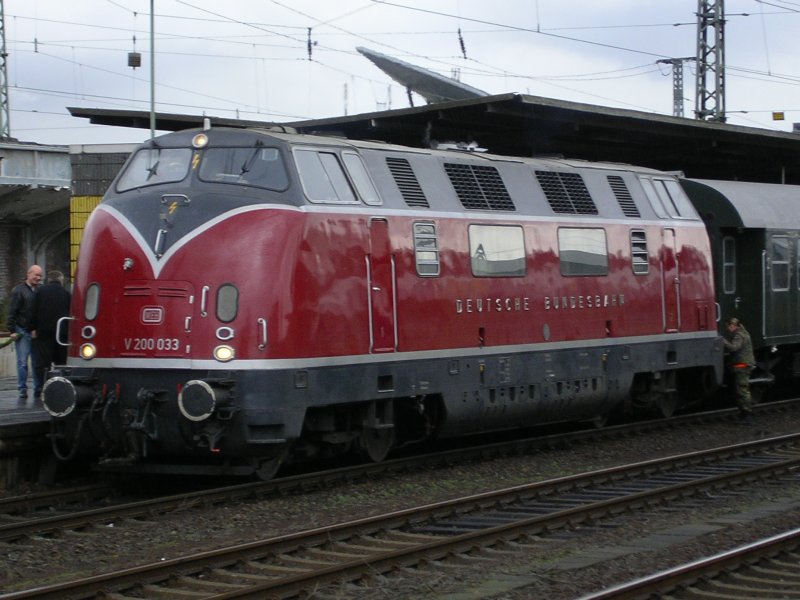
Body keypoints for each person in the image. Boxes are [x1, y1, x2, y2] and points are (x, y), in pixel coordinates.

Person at [29, 270, 72, 396]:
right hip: (61, 333)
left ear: (48, 279)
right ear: (61, 280)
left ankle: (42, 388)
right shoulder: (66, 293)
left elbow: (33, 311)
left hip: (43, 332)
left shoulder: (40, 292)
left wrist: (32, 328)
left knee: (42, 363)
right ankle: (61, 388)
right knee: (61, 363)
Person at [6, 264, 43, 401]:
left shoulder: (40, 291)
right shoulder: (19, 290)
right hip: (22, 330)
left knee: (36, 362)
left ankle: (38, 388)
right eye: (36, 275)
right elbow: (12, 310)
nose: (38, 278)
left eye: (40, 276)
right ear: (28, 274)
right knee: (22, 362)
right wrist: (12, 330)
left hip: (35, 331)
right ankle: (22, 388)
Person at [722, 317, 756, 423]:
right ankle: (744, 413)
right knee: (741, 390)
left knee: (742, 390)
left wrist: (722, 340)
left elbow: (734, 347)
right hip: (743, 365)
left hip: (742, 366)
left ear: (733, 325)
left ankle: (747, 414)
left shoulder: (739, 335)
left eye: (729, 326)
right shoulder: (744, 333)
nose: (728, 329)